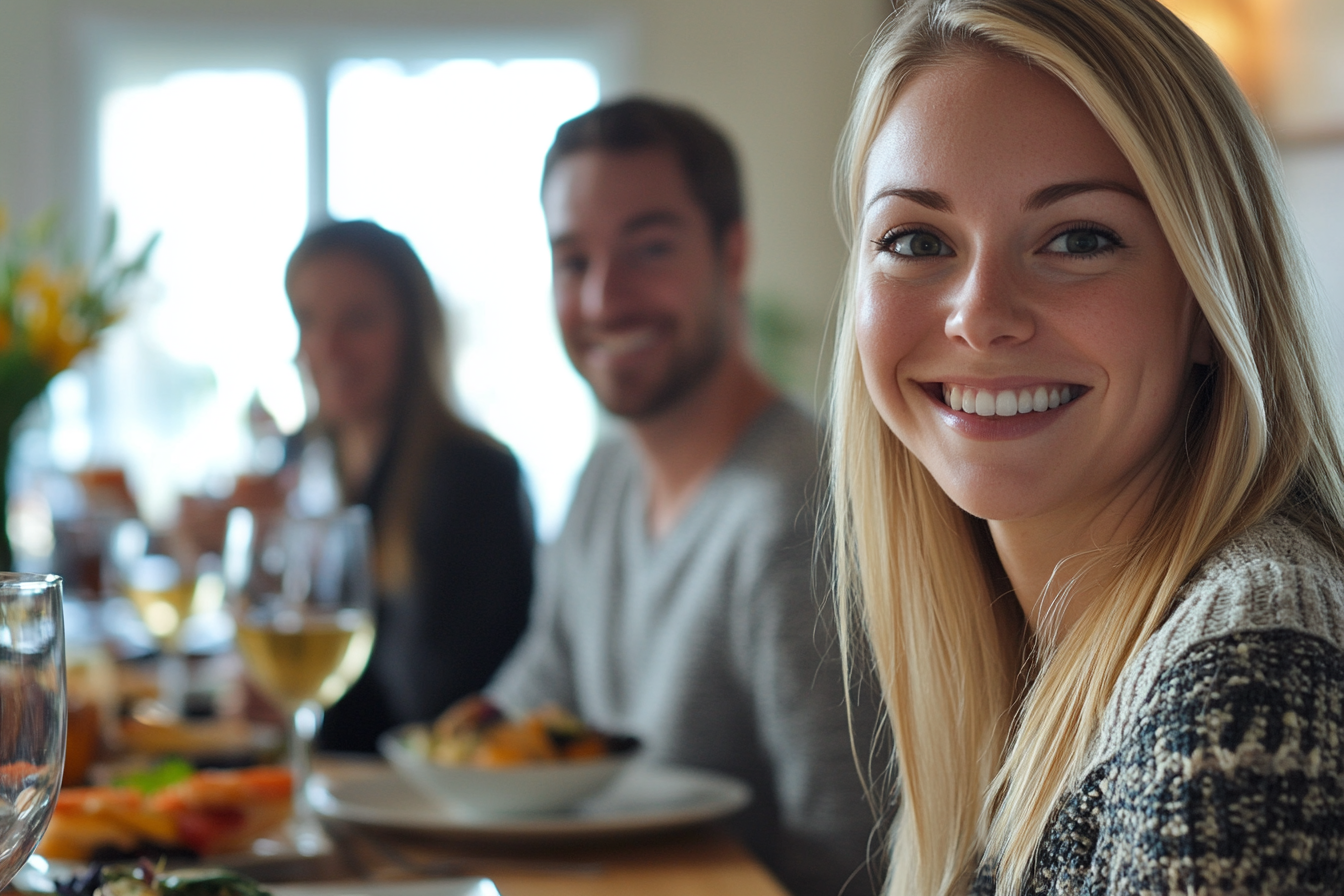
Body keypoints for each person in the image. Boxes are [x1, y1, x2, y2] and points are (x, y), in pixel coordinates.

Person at [829, 1, 1344, 894]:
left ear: (1210, 301)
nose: (980, 315)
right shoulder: (1045, 654)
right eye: (917, 240)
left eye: (1079, 238)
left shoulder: (1244, 692)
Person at [487, 98, 879, 896]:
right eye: (573, 262)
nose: (603, 300)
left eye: (650, 248)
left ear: (732, 255)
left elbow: (851, 859)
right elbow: (520, 716)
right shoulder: (603, 483)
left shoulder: (795, 510)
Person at [284, 219, 534, 752]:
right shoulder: (312, 462)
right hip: (344, 788)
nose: (326, 347)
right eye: (307, 319)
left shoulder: (472, 478)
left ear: (414, 331)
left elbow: (436, 704)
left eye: (358, 320)